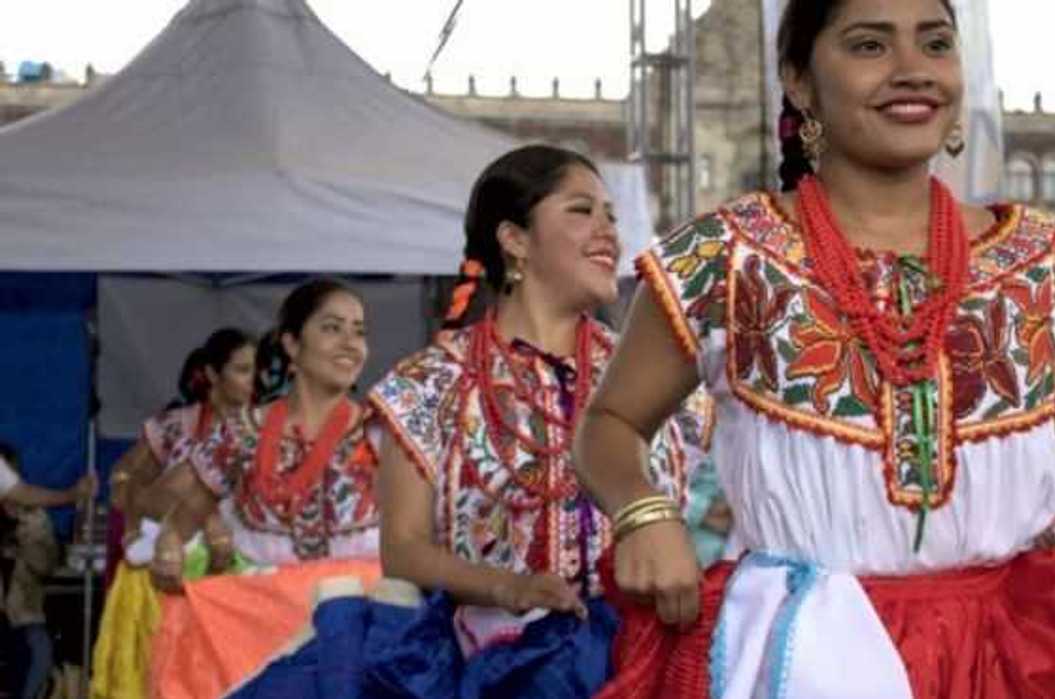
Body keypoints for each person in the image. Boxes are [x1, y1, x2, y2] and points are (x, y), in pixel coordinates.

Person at [573, 1, 1055, 697]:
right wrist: (642, 511)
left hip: (1017, 655)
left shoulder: (1041, 261)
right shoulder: (724, 258)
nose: (913, 70)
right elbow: (609, 423)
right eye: (869, 46)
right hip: (810, 655)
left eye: (935, 43)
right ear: (797, 79)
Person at [228, 145, 711, 699]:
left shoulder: (649, 375)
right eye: (582, 211)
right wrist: (507, 587)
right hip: (486, 666)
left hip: (640, 662)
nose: (609, 232)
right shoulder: (428, 384)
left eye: (611, 216)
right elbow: (403, 548)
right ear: (515, 239)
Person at [152, 280, 378, 588]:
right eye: (332, 328)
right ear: (292, 344)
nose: (351, 343)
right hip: (260, 610)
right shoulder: (240, 431)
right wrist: (168, 544)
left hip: (361, 610)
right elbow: (179, 519)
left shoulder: (384, 435)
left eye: (359, 332)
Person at [91, 329, 255, 699]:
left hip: (236, 574)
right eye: (243, 370)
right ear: (212, 374)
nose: (253, 380)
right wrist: (139, 519)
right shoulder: (175, 426)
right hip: (170, 574)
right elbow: (123, 480)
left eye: (257, 371)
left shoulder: (262, 428)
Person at [0, 442, 92, 699]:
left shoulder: (32, 516)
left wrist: (25, 530)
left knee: (38, 650)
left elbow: (45, 566)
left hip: (22, 617)